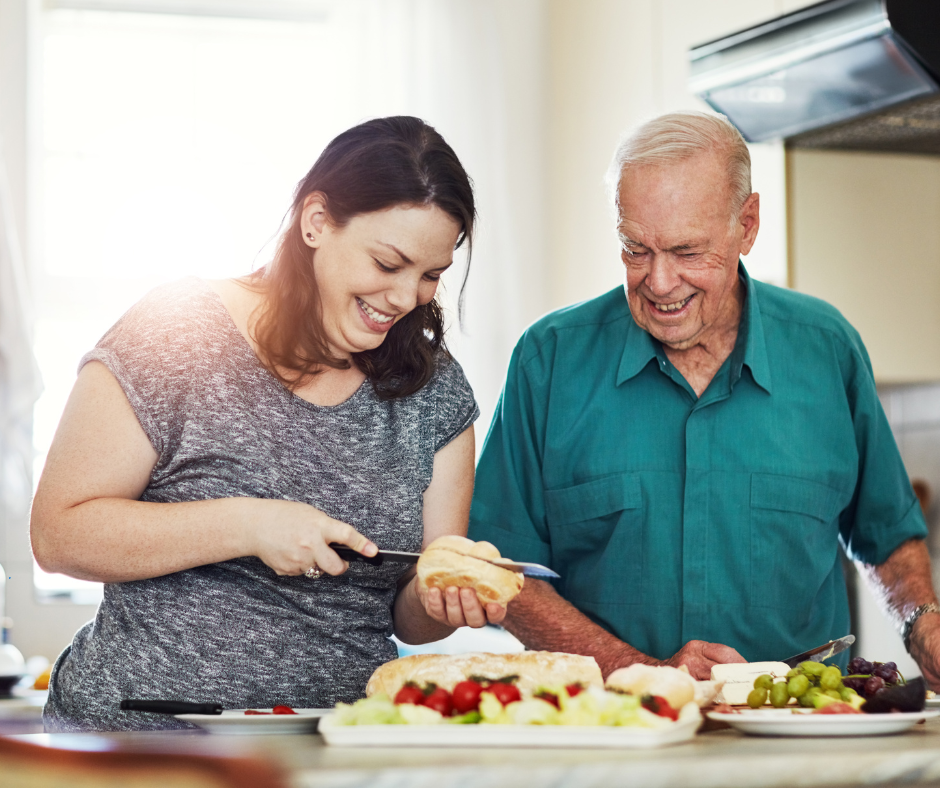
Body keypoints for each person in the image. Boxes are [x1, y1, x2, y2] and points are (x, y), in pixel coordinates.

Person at [31, 116, 503, 731]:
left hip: (331, 755)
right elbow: (58, 535)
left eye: (431, 275)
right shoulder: (176, 330)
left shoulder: (434, 391)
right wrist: (250, 524)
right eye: (388, 262)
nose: (406, 296)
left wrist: (444, 596)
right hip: (137, 747)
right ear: (315, 222)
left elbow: (410, 613)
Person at [468, 111, 940, 684]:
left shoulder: (827, 348)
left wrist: (922, 621)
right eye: (635, 249)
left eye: (688, 252)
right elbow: (503, 572)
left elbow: (886, 534)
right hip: (609, 744)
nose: (660, 282)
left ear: (748, 224)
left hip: (799, 747)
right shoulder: (548, 360)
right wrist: (642, 672)